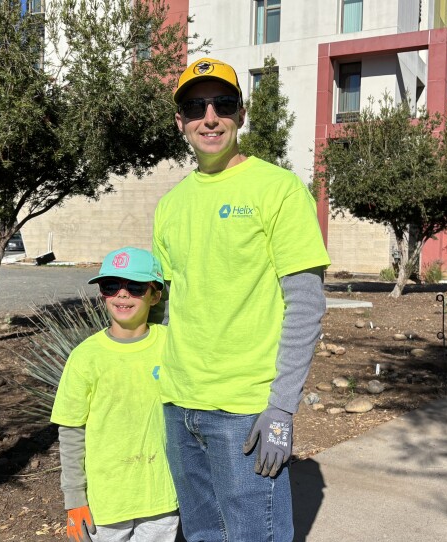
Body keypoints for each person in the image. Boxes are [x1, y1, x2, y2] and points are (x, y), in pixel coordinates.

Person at [152, 58, 331, 542]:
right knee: (203, 536)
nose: (209, 117)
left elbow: (306, 305)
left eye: (222, 104)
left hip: (246, 414)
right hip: (178, 406)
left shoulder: (277, 189)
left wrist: (281, 409)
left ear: (241, 113)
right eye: (195, 107)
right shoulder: (170, 205)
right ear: (180, 121)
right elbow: (169, 307)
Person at [50, 247, 178, 542]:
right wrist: (75, 500)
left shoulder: (171, 345)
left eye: (135, 287)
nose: (122, 295)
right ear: (103, 295)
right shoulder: (85, 357)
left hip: (161, 496)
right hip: (105, 503)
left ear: (155, 295)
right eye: (111, 286)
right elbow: (71, 431)